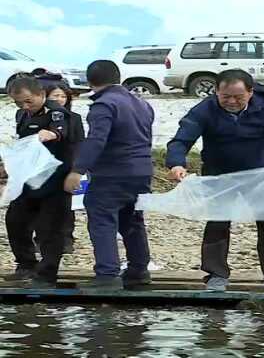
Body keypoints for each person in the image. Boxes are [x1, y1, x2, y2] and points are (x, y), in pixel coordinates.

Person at [165, 69, 264, 294]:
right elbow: (180, 140)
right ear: (216, 91)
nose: (232, 102)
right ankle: (216, 275)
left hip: (259, 176)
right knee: (217, 224)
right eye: (225, 96)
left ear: (251, 92)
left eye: (238, 96)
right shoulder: (204, 109)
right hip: (219, 175)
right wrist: (177, 163)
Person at [63, 60, 154, 290]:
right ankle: (138, 271)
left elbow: (96, 141)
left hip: (112, 173)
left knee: (102, 221)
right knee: (132, 221)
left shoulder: (103, 105)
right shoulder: (142, 104)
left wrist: (77, 170)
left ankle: (107, 275)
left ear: (90, 81)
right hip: (141, 171)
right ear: (118, 77)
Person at [4, 76, 74, 288]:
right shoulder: (22, 115)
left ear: (41, 95)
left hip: (55, 179)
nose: (25, 106)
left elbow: (59, 131)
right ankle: (26, 264)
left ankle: (47, 273)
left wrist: (50, 133)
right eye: (19, 103)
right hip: (29, 177)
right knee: (15, 220)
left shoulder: (56, 112)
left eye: (28, 101)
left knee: (49, 228)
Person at [32, 83, 85, 254]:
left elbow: (79, 143)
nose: (59, 100)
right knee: (39, 205)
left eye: (63, 96)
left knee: (67, 206)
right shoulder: (36, 116)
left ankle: (66, 239)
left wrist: (77, 168)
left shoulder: (74, 118)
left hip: (66, 166)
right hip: (41, 166)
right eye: (55, 96)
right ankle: (40, 238)